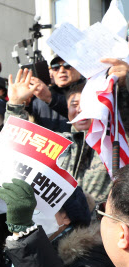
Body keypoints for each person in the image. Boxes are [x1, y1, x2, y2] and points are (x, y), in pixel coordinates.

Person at [8, 71, 111, 206]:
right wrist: (15, 104)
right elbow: (17, 144)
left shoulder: (113, 142)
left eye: (86, 104)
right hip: (61, 224)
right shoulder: (57, 142)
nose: (80, 110)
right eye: (74, 105)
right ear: (67, 110)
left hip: (103, 224)